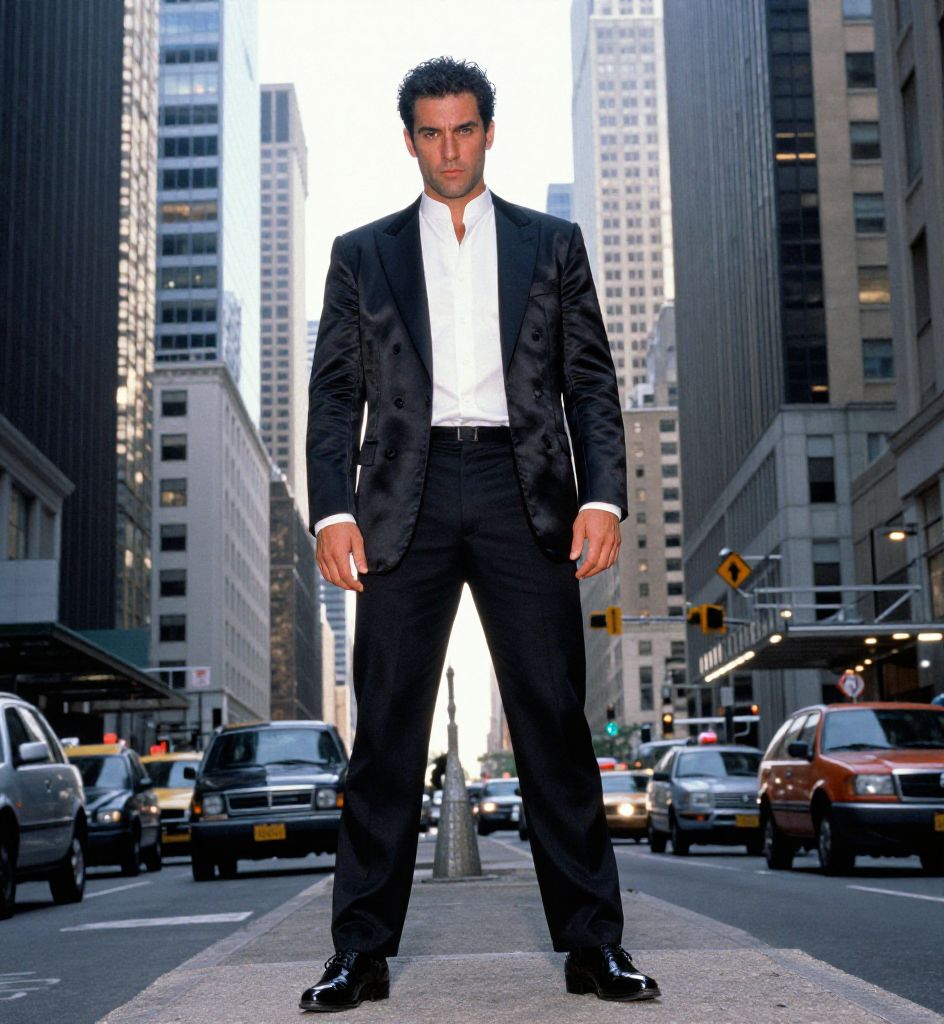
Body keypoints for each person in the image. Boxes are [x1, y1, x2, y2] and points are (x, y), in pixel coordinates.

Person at [301, 56, 659, 1012]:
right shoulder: (361, 252)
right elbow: (336, 391)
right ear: (409, 138)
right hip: (401, 501)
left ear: (489, 132)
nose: (449, 149)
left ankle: (595, 946)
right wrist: (333, 511)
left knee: (552, 720)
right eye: (431, 132)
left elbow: (590, 379)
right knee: (384, 734)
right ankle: (359, 953)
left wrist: (603, 497)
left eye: (465, 130)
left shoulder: (552, 245)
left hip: (522, 489)